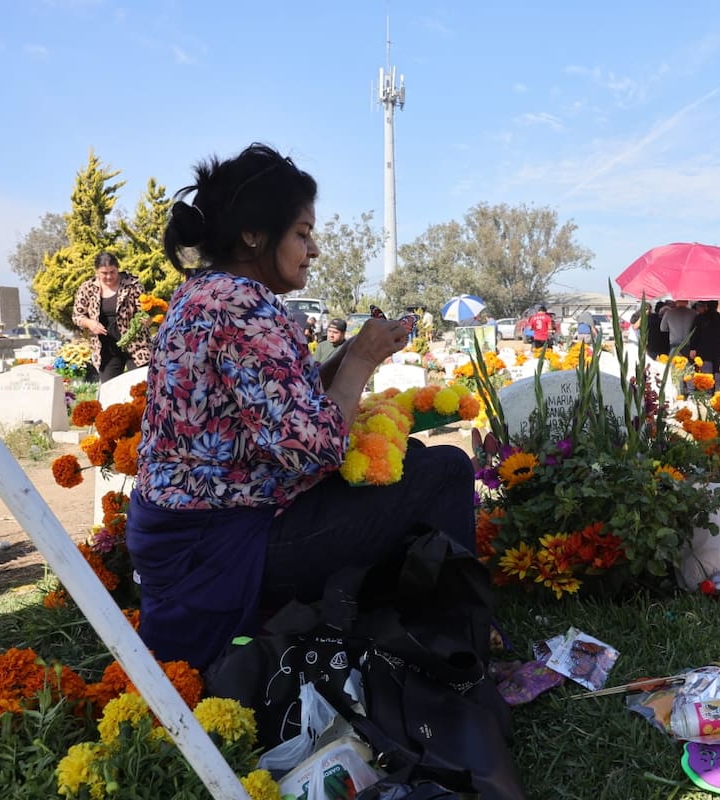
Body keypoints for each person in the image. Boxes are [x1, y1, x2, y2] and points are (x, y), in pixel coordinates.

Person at [124, 143, 478, 669]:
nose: (312, 250)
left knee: (417, 463)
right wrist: (360, 357)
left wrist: (348, 356)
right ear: (253, 234)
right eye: (302, 234)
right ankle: (456, 647)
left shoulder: (208, 291)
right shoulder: (240, 303)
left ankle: (399, 624)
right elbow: (315, 448)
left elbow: (280, 404)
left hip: (206, 527)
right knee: (447, 469)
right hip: (224, 545)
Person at [71, 252, 152, 382]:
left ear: (118, 268)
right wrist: (89, 323)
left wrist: (147, 320)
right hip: (106, 349)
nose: (109, 277)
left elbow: (146, 310)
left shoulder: (133, 285)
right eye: (104, 273)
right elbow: (77, 316)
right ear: (97, 271)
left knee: (142, 387)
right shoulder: (87, 288)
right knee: (109, 389)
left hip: (136, 346)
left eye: (112, 272)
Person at [687, 300, 720, 391]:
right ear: (716, 306)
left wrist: (692, 348)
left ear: (706, 306)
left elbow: (693, 334)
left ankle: (705, 391)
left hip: (702, 348)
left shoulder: (699, 318)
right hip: (717, 348)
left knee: (703, 371)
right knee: (716, 370)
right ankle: (716, 389)